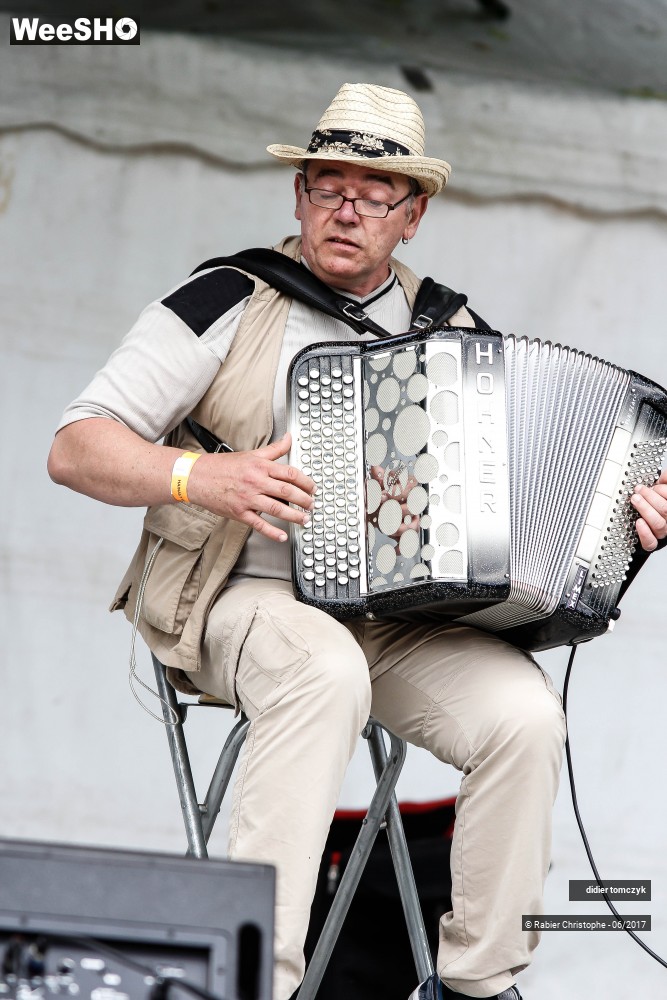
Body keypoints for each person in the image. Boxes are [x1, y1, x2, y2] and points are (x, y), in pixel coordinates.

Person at [48, 83, 667, 1000]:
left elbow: (531, 496)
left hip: (395, 616)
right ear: (297, 192)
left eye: (375, 195)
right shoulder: (225, 297)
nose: (347, 209)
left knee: (526, 719)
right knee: (321, 668)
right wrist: (202, 476)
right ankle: (259, 976)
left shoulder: (453, 334)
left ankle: (474, 985)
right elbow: (75, 446)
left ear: (412, 215)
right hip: (238, 592)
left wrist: (629, 518)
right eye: (328, 184)